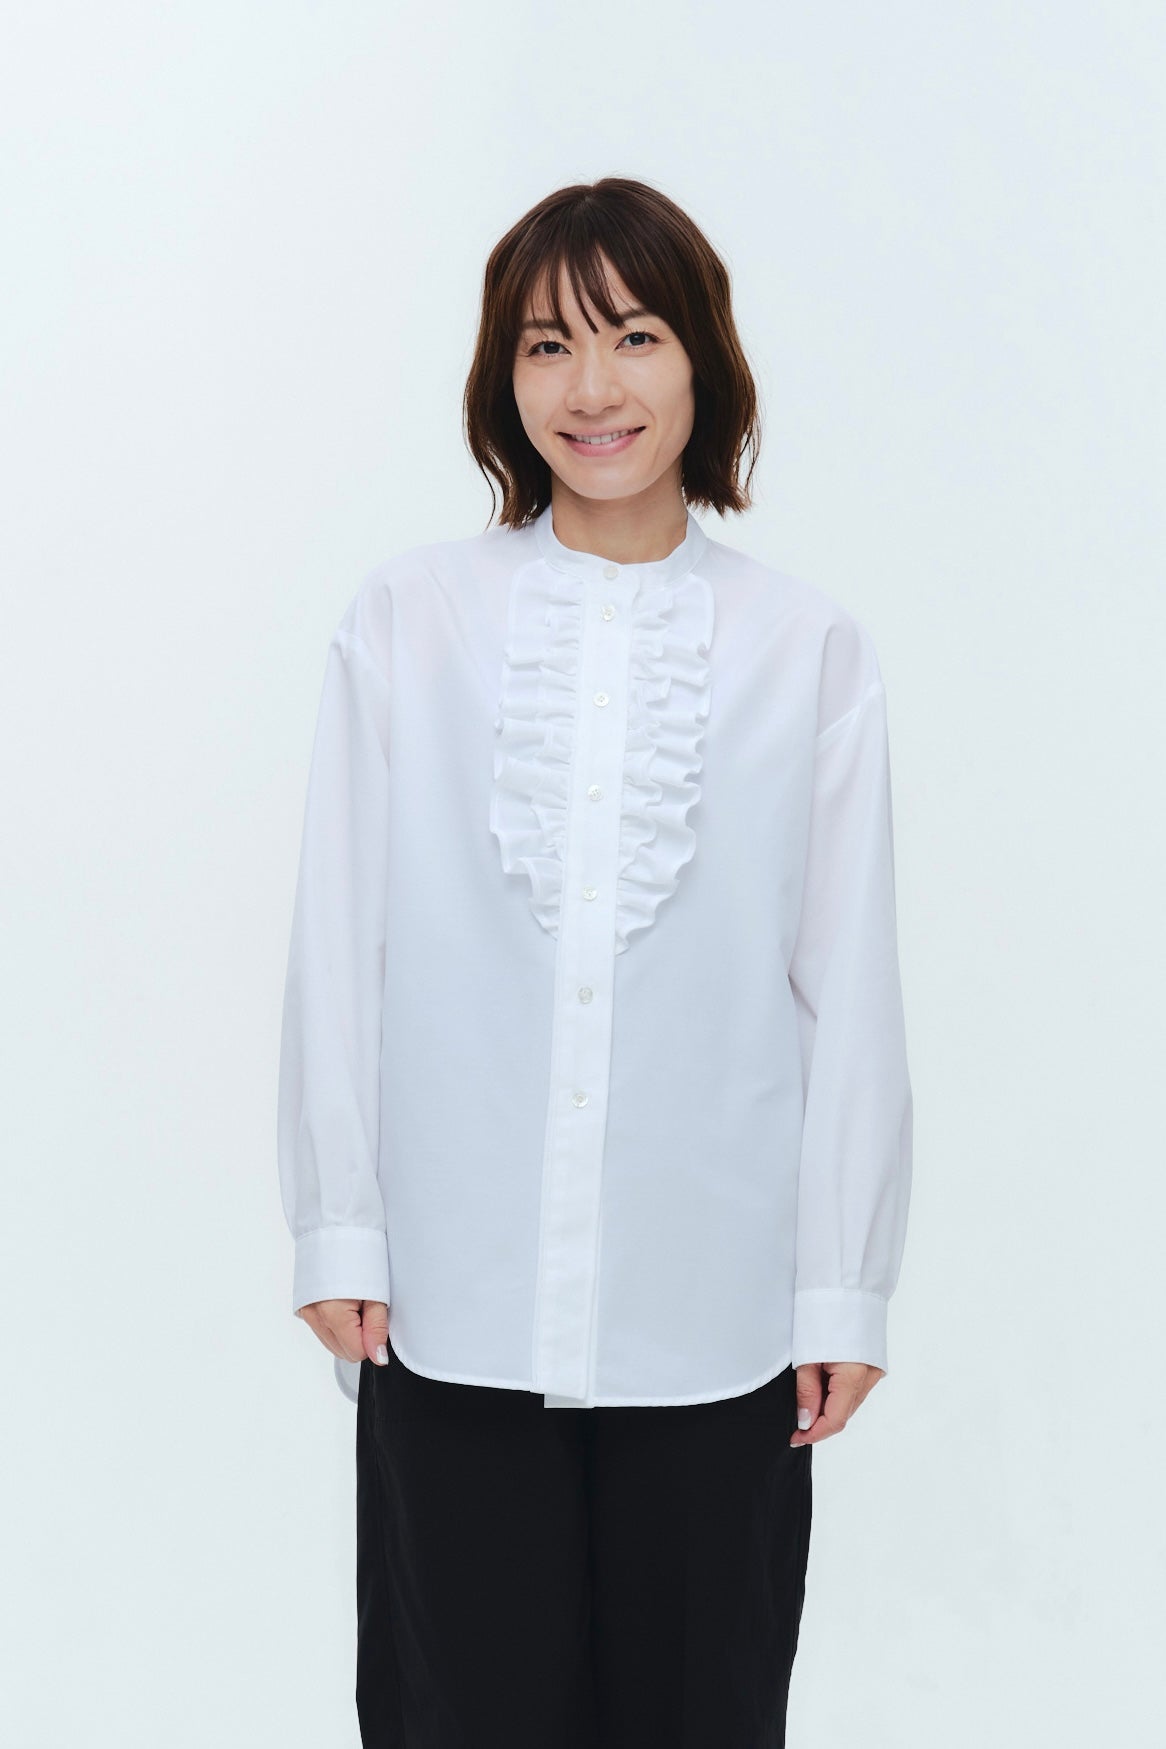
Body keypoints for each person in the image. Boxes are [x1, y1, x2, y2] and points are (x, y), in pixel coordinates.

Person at [277, 176, 913, 1747]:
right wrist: (336, 1220)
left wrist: (842, 1281)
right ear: (503, 378)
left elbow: (847, 989)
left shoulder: (807, 650)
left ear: (701, 358)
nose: (591, 386)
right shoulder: (408, 621)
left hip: (712, 1323)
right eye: (547, 344)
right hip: (452, 1305)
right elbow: (337, 936)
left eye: (632, 336)